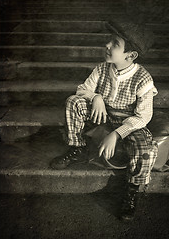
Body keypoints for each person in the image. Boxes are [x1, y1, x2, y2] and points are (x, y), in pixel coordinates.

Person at [50, 20, 159, 221]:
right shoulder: (101, 69)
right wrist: (96, 97)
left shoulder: (143, 78)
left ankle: (132, 190)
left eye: (115, 44)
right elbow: (82, 89)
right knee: (74, 101)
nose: (107, 45)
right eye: (109, 41)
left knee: (146, 149)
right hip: (103, 117)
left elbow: (143, 116)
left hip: (129, 122)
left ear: (131, 55)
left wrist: (117, 134)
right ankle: (78, 148)